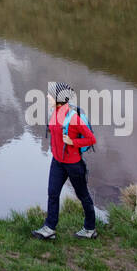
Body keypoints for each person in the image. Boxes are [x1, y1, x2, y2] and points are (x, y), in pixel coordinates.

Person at [32, 82, 98, 240]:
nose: (47, 96)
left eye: (50, 94)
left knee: (83, 195)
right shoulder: (53, 111)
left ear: (59, 98)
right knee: (52, 193)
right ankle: (49, 228)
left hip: (74, 164)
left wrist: (72, 142)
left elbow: (91, 139)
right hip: (57, 162)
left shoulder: (73, 118)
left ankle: (90, 229)